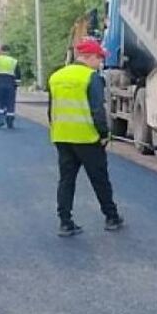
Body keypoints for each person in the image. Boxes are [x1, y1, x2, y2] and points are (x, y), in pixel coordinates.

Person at [49, 37, 123, 237]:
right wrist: (103, 133)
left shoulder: (56, 76)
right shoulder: (91, 77)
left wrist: (55, 129)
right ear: (88, 57)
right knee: (99, 179)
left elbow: (51, 108)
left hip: (62, 136)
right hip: (87, 138)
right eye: (99, 58)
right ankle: (111, 217)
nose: (101, 63)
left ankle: (65, 222)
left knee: (66, 180)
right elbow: (97, 109)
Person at [0, 45, 22, 129]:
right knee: (10, 102)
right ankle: (10, 121)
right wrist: (16, 85)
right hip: (10, 83)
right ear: (9, 51)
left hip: (0, 82)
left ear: (1, 50)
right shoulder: (13, 61)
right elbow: (18, 74)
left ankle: (0, 119)